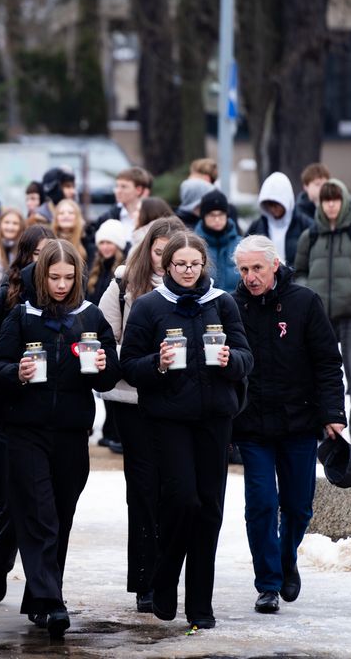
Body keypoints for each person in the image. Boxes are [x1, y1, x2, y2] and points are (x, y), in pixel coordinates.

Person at [119, 231, 253, 628]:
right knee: (183, 502)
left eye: (195, 265)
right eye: (180, 265)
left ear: (204, 266)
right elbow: (129, 365)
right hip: (169, 419)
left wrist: (230, 360)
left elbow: (248, 357)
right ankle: (164, 578)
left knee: (210, 510)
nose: (188, 271)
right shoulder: (149, 307)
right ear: (166, 266)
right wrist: (158, 364)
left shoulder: (223, 303)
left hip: (215, 419)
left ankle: (200, 604)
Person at [0, 240, 120, 637]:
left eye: (68, 277)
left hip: (72, 432)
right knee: (40, 516)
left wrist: (101, 367)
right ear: (41, 276)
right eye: (54, 277)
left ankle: (41, 597)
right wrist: (18, 373)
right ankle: (51, 600)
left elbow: (110, 372)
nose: (61, 285)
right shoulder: (22, 316)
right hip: (26, 432)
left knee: (61, 516)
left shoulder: (91, 316)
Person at [232, 235, 346, 615]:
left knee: (298, 507)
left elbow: (328, 362)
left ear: (274, 265)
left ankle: (285, 559)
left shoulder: (304, 303)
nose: (250, 277)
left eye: (257, 268)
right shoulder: (231, 307)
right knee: (261, 504)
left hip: (299, 422)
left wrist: (333, 414)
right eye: (244, 269)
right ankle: (267, 584)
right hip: (252, 426)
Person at [97, 217, 185, 614]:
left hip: (180, 404)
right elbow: (105, 341)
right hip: (133, 402)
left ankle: (168, 576)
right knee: (144, 493)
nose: (164, 259)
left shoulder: (193, 291)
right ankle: (145, 580)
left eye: (172, 251)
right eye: (158, 250)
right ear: (148, 249)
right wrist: (145, 362)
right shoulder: (122, 287)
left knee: (176, 494)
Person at [0, 224, 54, 606]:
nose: (44, 265)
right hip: (6, 414)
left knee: (41, 506)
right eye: (37, 256)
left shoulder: (64, 302)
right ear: (24, 258)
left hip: (48, 420)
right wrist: (13, 361)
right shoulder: (2, 299)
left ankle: (38, 589)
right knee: (10, 502)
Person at [294, 179, 351, 460]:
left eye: (335, 199)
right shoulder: (310, 236)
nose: (331, 205)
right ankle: (324, 431)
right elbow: (298, 272)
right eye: (326, 200)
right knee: (318, 377)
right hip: (319, 319)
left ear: (344, 201)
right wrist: (310, 291)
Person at [246, 172, 313, 271]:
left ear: (286, 201)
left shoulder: (305, 225)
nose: (273, 208)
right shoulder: (256, 227)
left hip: (296, 282)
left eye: (277, 204)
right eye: (269, 204)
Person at [90, 167, 153, 242]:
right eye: (117, 186)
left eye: (124, 187)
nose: (118, 191)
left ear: (138, 190)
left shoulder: (152, 216)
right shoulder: (107, 217)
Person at [196, 189, 241, 292]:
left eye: (221, 214)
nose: (217, 219)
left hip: (237, 306)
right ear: (203, 216)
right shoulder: (194, 246)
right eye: (212, 215)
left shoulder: (241, 245)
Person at [87, 219, 127, 305]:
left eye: (109, 243)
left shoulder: (124, 269)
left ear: (118, 245)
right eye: (102, 243)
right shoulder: (95, 264)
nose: (105, 247)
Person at [53, 199, 88, 264]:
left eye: (71, 213)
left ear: (77, 217)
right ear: (56, 218)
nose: (66, 216)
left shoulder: (87, 242)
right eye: (61, 213)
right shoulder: (48, 241)